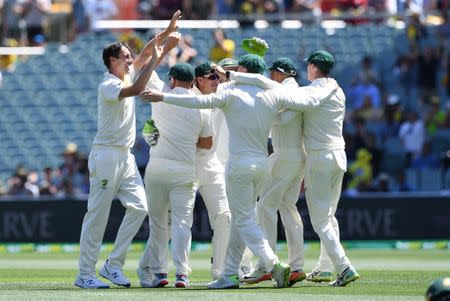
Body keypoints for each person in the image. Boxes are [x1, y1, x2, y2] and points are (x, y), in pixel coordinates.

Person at [140, 53, 338, 289]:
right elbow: (307, 102)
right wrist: (330, 86)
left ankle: (273, 264)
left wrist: (162, 96)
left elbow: (197, 102)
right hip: (262, 165)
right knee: (236, 220)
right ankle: (230, 273)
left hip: (239, 166)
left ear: (242, 71)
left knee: (243, 220)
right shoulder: (273, 93)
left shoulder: (231, 93)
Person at [228, 50, 360, 287]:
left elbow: (282, 114)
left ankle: (268, 266)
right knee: (308, 212)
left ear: (311, 66)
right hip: (334, 156)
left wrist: (237, 80)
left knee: (270, 208)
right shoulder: (333, 89)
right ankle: (310, 266)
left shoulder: (303, 92)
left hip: (307, 158)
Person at [74, 10, 181, 289]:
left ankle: (112, 265)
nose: (131, 59)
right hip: (106, 154)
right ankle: (85, 273)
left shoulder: (125, 73)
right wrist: (158, 58)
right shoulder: (109, 83)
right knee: (97, 215)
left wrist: (166, 33)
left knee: (140, 208)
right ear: (112, 61)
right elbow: (136, 88)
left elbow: (145, 53)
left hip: (125, 156)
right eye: (125, 57)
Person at [137, 63, 214, 288]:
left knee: (158, 224)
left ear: (171, 81)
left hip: (157, 169)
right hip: (184, 170)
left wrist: (159, 48)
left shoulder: (161, 98)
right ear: (193, 82)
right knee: (182, 224)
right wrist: (187, 141)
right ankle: (182, 274)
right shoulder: (202, 106)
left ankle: (160, 273)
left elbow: (144, 70)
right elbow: (208, 143)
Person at [236, 57, 307, 287]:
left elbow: (281, 118)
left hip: (284, 154)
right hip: (297, 157)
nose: (268, 76)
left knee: (264, 207)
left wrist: (258, 114)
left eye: (271, 73)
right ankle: (296, 266)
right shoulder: (291, 90)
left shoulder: (289, 91)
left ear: (278, 73)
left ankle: (267, 265)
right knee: (287, 207)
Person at [193, 61, 231, 281]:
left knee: (224, 216)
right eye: (212, 77)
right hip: (186, 165)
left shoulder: (223, 93)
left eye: (218, 78)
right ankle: (152, 267)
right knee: (174, 224)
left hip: (211, 165)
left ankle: (219, 273)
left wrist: (223, 74)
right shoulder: (187, 97)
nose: (217, 81)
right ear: (199, 80)